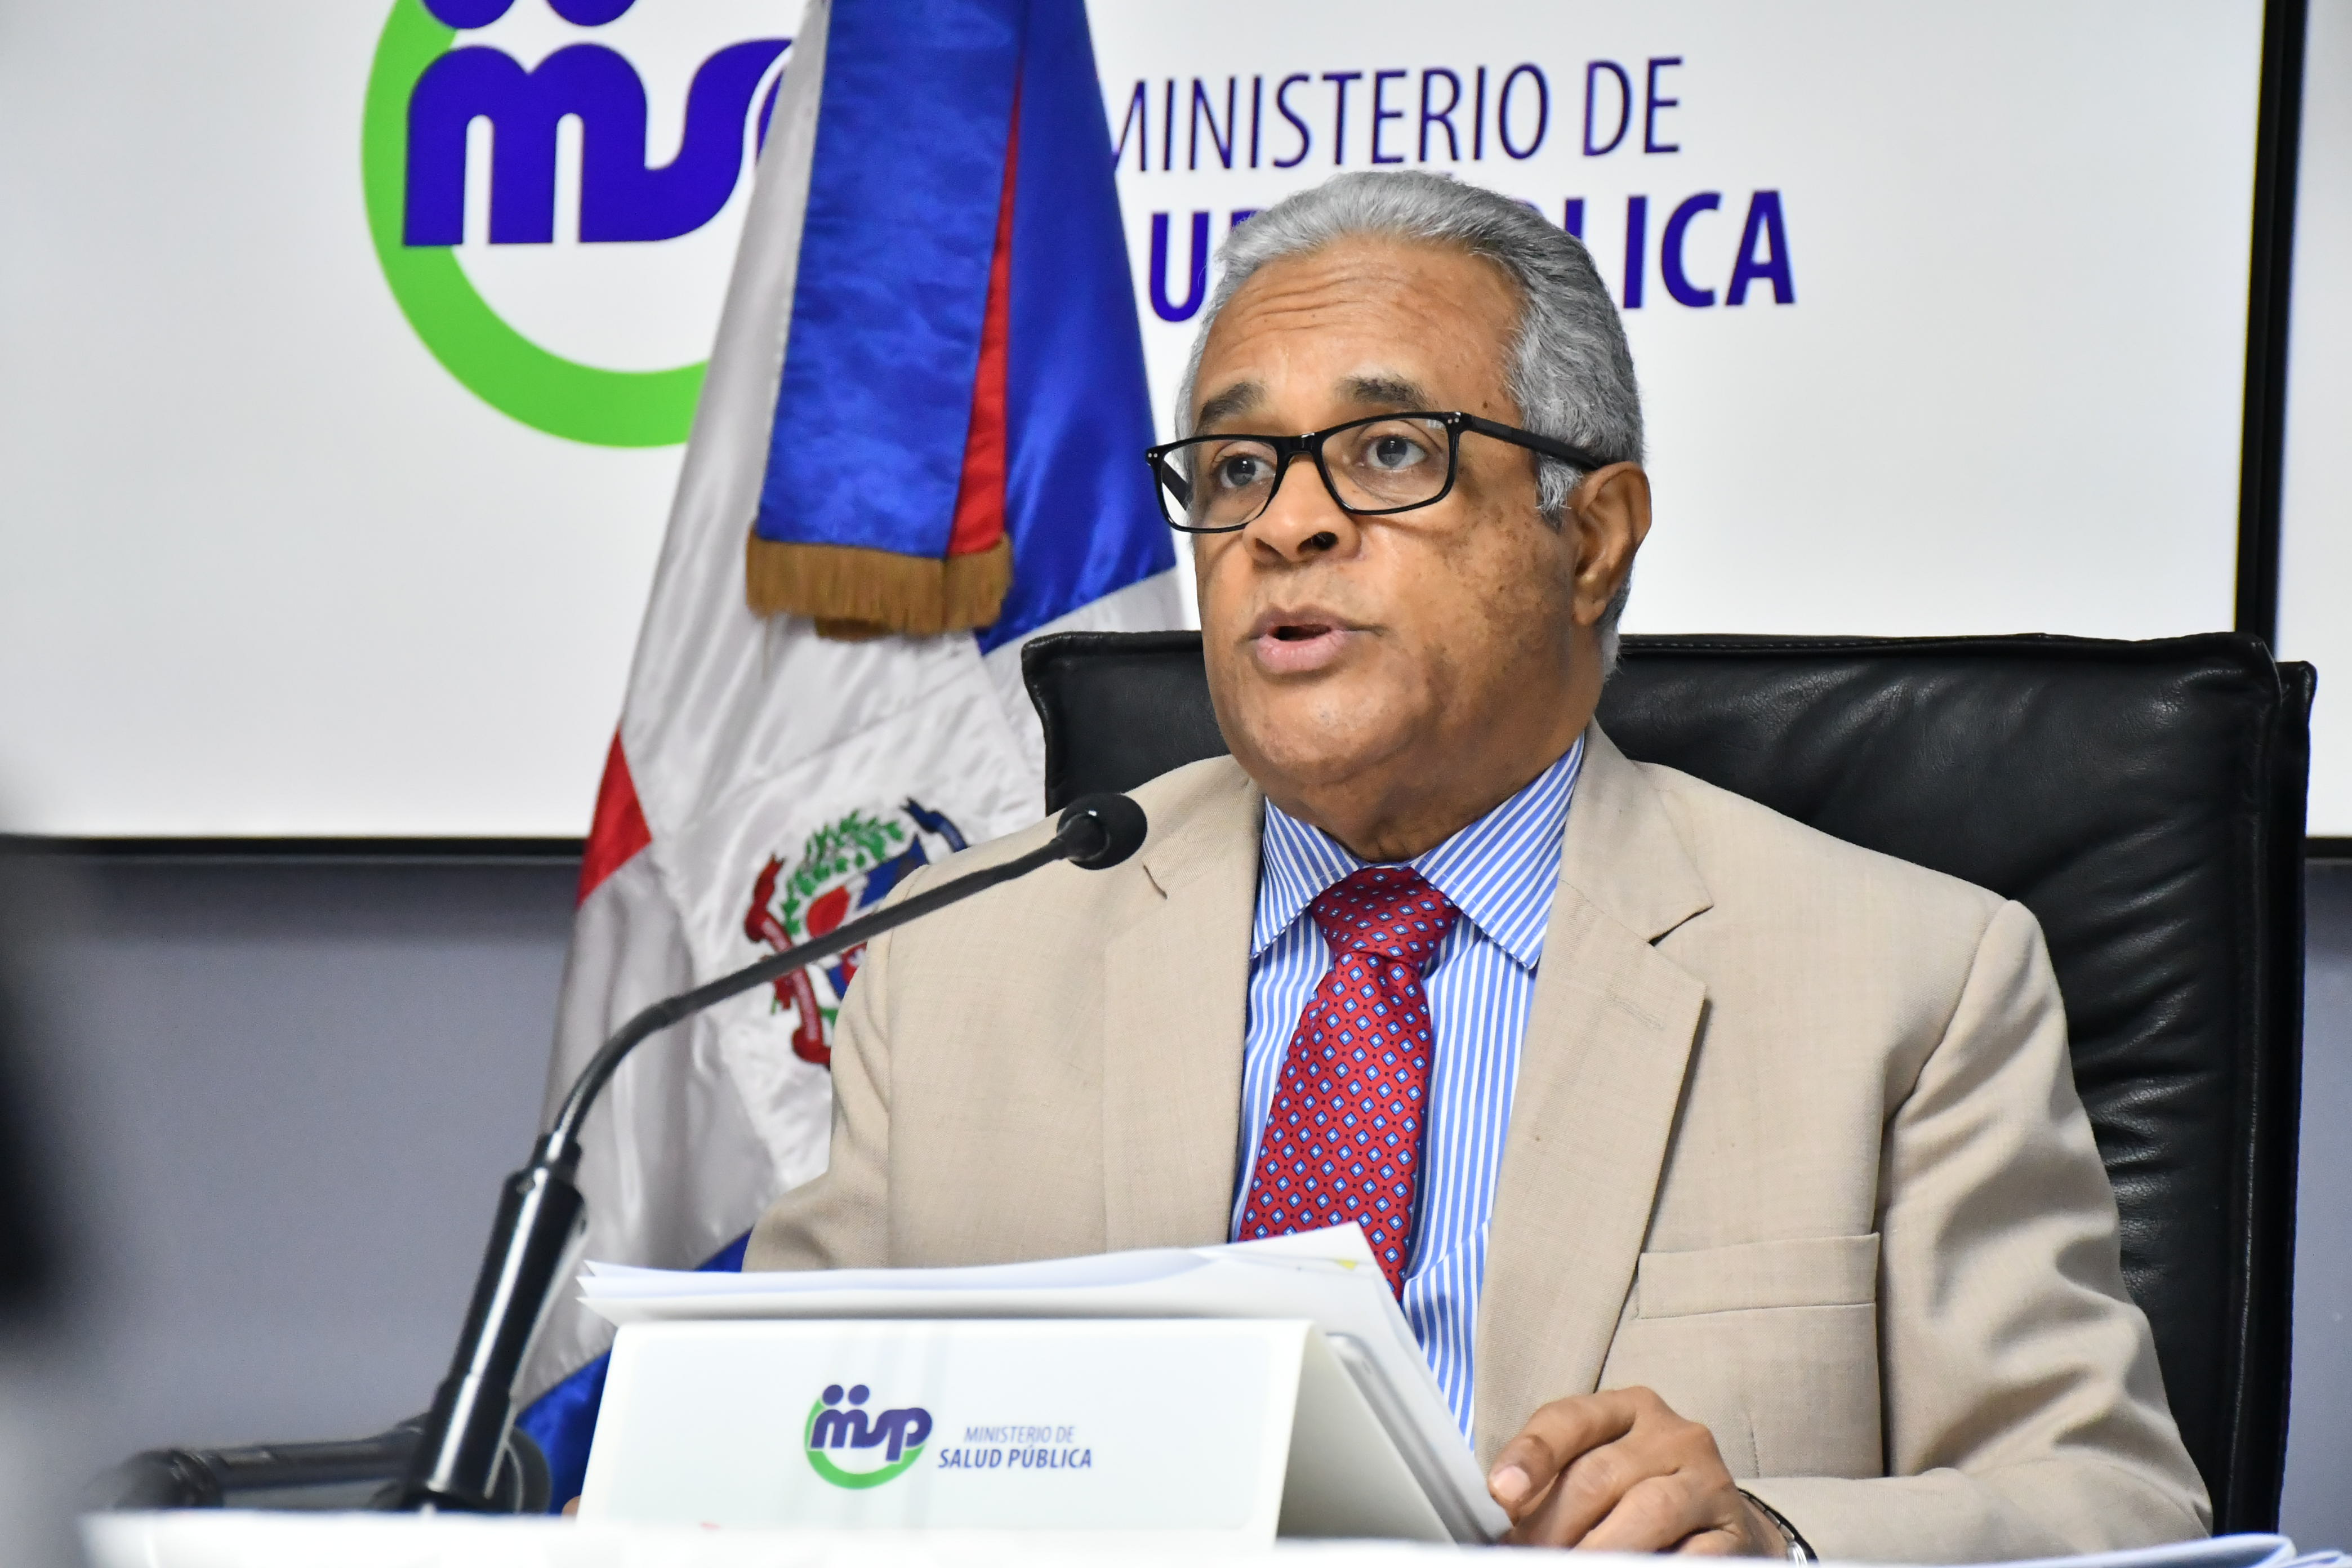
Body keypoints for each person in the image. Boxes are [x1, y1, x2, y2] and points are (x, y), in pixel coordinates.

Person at [747, 170, 2208, 1559]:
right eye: (1239, 467)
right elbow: (755, 1455)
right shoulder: (958, 964)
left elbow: (2116, 1509)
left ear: (1595, 540)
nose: (1287, 524)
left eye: (1391, 451)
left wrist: (1775, 1537)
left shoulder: (1910, 984)